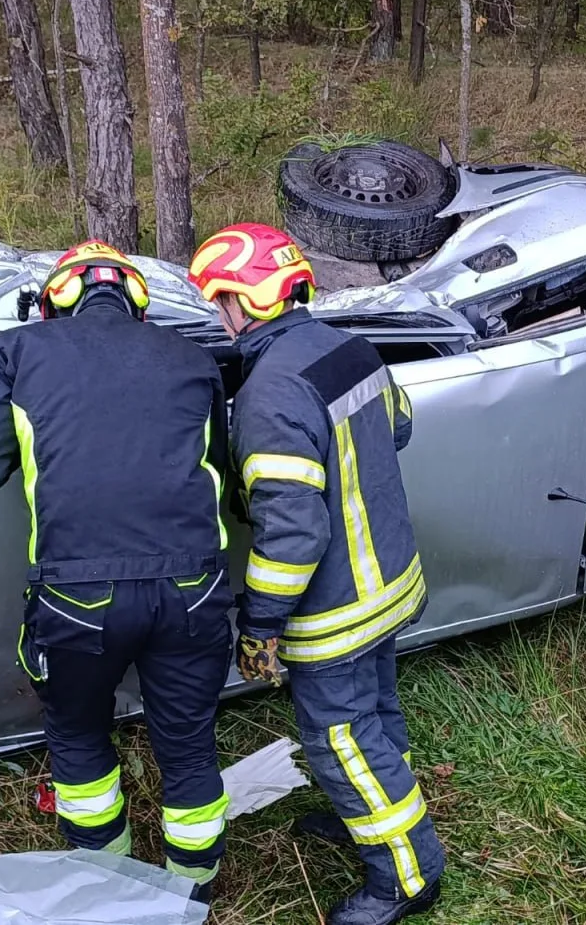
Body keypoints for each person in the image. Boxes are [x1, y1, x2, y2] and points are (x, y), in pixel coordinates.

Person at [0, 241, 233, 900]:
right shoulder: (193, 356)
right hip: (192, 589)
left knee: (76, 731)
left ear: (52, 303)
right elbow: (222, 471)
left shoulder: (13, 352)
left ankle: (107, 877)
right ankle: (193, 892)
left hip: (79, 595)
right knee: (187, 739)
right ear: (138, 303)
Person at [188, 223, 445, 925]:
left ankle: (407, 870)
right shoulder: (351, 349)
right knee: (377, 714)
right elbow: (399, 426)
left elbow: (295, 532)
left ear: (247, 299)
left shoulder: (269, 394)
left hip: (336, 608)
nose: (220, 316)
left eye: (221, 301)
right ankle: (373, 809)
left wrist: (261, 622)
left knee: (339, 740)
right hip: (392, 579)